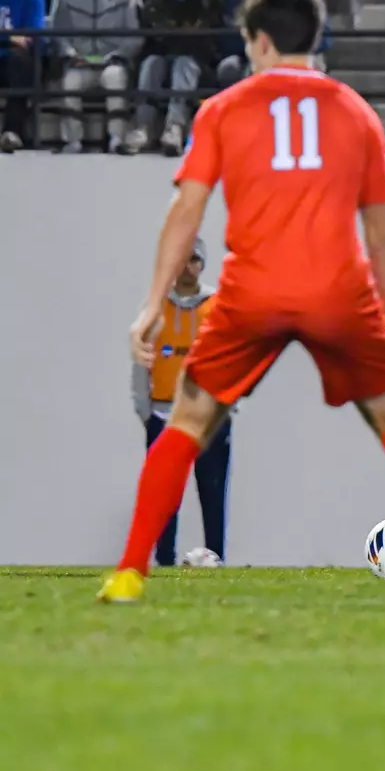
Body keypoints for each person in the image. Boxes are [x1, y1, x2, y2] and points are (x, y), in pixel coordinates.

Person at [97, 0, 385, 606]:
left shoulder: (223, 110)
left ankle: (131, 571)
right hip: (339, 290)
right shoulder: (355, 113)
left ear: (259, 42)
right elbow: (380, 233)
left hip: (253, 290)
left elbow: (184, 214)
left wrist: (152, 306)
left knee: (185, 421)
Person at [132, 237, 231, 566]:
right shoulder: (155, 307)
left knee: (213, 491)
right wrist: (146, 412)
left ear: (202, 264)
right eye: (182, 259)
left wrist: (229, 406)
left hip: (209, 416)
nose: (188, 267)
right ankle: (164, 560)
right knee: (163, 492)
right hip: (164, 415)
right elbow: (140, 362)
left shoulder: (217, 306)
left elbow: (234, 358)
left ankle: (215, 557)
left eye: (194, 260)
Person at [124, 0, 228, 157]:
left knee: (185, 64)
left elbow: (215, 34)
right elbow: (155, 33)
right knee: (151, 63)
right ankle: (143, 126)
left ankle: (175, 127)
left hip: (201, 60)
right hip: (165, 54)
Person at [49, 0, 142, 154]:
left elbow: (135, 33)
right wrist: (70, 55)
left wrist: (116, 57)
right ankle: (72, 140)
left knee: (115, 79)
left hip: (113, 62)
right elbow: (57, 33)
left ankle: (117, 138)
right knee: (70, 83)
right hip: (78, 63)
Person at [0, 0, 44, 152]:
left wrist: (13, 41)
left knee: (20, 61)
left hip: (19, 59)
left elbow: (32, 33)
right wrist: (8, 38)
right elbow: (15, 37)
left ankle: (12, 132)